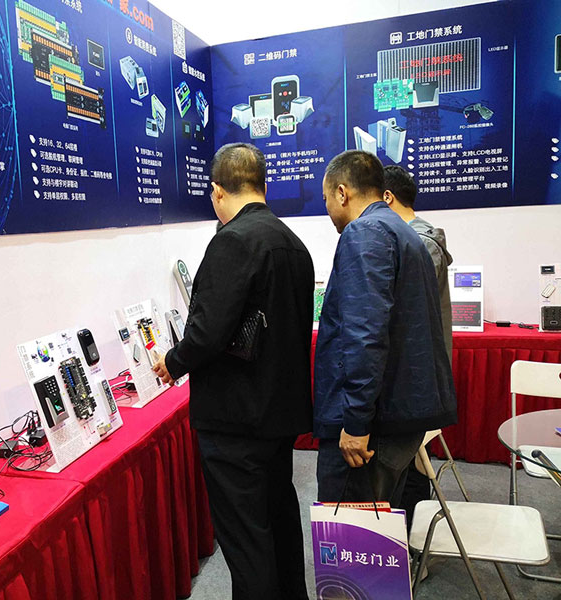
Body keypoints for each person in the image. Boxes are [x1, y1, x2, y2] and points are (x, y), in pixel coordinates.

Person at [152, 143, 314, 600]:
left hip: (236, 419)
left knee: (246, 541)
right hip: (279, 414)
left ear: (217, 191)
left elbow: (207, 332)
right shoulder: (292, 243)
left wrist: (172, 362)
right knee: (279, 520)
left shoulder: (233, 241)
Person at [314, 150, 457, 505]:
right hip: (397, 413)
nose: (327, 209)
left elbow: (366, 334)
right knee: (382, 518)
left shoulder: (365, 233)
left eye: (326, 198)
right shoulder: (401, 230)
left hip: (374, 422)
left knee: (353, 523)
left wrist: (356, 421)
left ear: (342, 193)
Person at [383, 165, 454, 527]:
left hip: (415, 373)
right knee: (409, 462)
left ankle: (410, 541)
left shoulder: (419, 243)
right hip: (414, 371)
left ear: (387, 197)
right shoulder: (416, 240)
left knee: (410, 465)